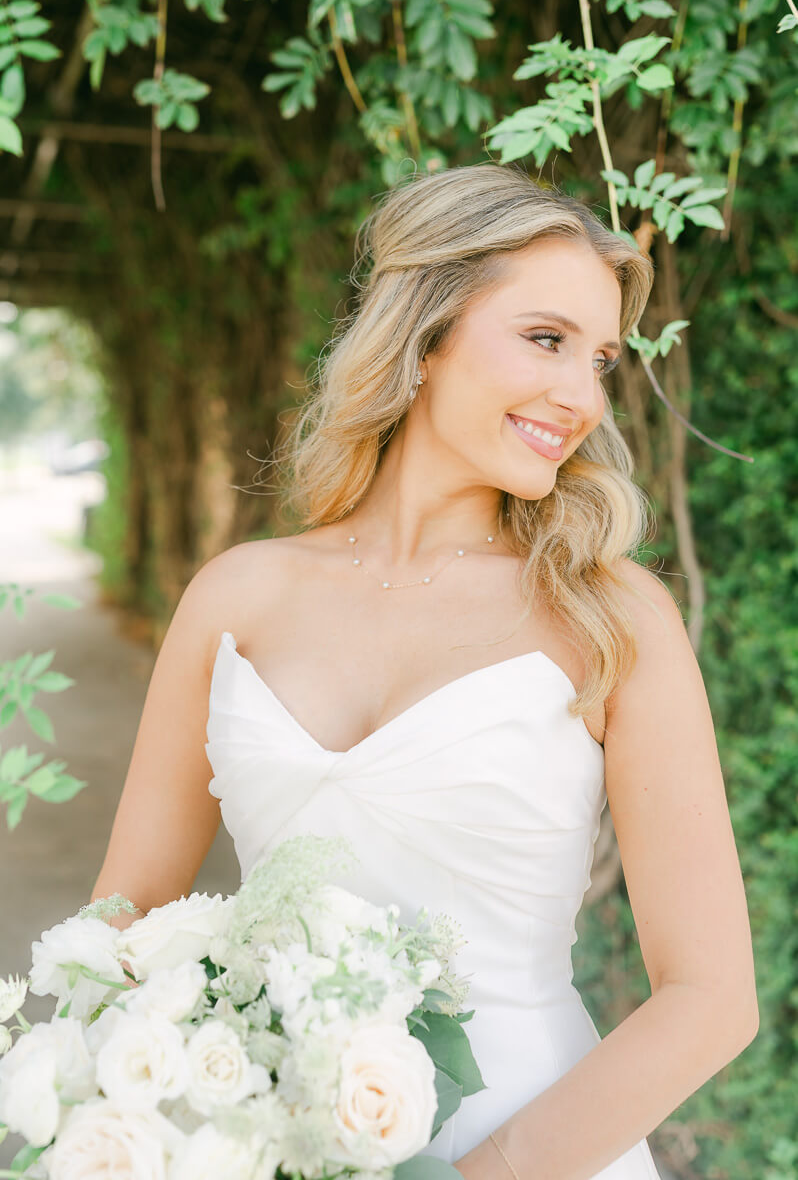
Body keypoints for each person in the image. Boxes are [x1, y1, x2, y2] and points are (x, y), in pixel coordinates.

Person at [91, 163, 759, 1179]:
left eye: (602, 359)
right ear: (425, 335)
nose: (581, 396)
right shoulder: (237, 599)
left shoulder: (613, 615)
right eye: (546, 340)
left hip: (544, 1152)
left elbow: (713, 1000)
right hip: (278, 1144)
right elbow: (126, 925)